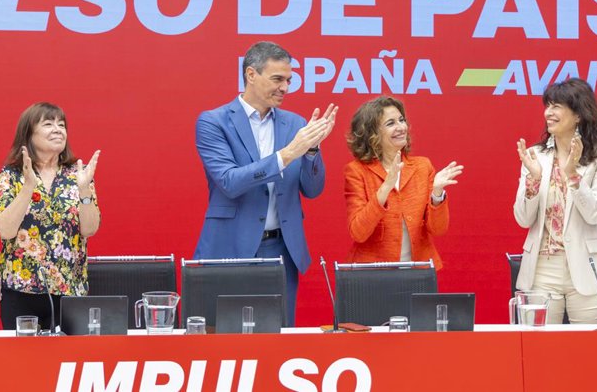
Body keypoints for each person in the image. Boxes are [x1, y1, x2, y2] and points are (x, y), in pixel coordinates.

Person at [194, 41, 338, 325]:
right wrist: (287, 155)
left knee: (278, 341)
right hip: (229, 247)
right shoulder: (214, 122)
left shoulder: (296, 124)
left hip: (281, 250)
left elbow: (313, 189)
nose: (285, 87)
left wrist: (311, 150)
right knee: (222, 339)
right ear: (251, 75)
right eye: (277, 79)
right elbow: (229, 181)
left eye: (288, 80)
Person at [514, 78, 597, 324]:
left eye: (557, 106)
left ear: (579, 114)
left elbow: (596, 214)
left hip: (587, 266)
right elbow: (522, 218)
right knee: (538, 350)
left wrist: (573, 175)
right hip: (542, 269)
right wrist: (534, 180)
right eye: (547, 105)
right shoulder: (535, 155)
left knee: (590, 350)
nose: (548, 113)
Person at [0, 102, 101, 331]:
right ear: (29, 134)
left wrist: (83, 191)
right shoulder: (11, 175)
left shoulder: (77, 175)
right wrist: (28, 187)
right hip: (21, 291)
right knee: (24, 364)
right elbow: (5, 230)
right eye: (49, 124)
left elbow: (89, 229)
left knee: (68, 362)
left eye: (62, 125)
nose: (58, 129)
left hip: (70, 290)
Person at [344, 96, 463, 267]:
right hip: (372, 274)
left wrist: (437, 194)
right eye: (390, 123)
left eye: (401, 120)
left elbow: (438, 229)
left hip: (418, 272)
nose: (401, 127)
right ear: (372, 134)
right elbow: (358, 232)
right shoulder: (356, 171)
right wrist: (385, 188)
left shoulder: (423, 166)